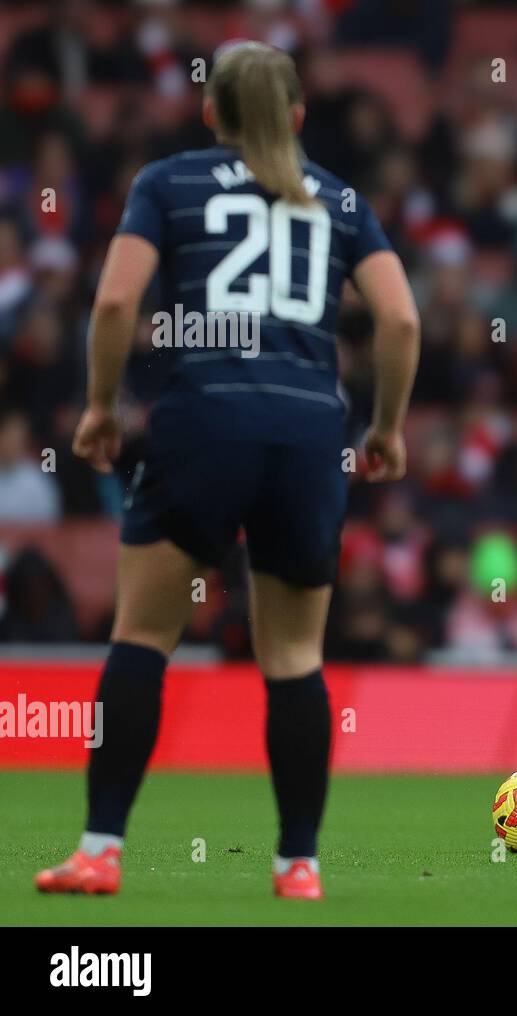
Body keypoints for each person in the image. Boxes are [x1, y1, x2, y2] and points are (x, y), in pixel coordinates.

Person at [35, 42, 419, 896]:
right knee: (293, 656)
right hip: (307, 433)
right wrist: (386, 426)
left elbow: (112, 300)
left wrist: (100, 406)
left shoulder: (168, 184)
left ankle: (99, 851)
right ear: (297, 118)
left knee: (142, 638)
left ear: (211, 113)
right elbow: (398, 320)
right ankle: (299, 866)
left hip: (202, 422)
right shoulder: (342, 200)